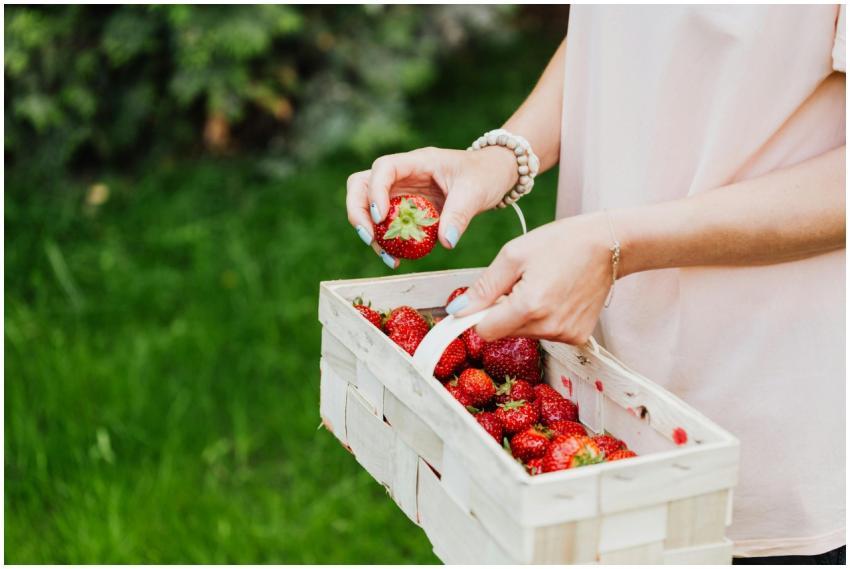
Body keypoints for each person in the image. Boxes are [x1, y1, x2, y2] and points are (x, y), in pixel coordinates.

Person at [345, 5, 845, 564]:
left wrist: (617, 244)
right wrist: (500, 158)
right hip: (589, 382)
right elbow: (618, 41)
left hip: (757, 401)